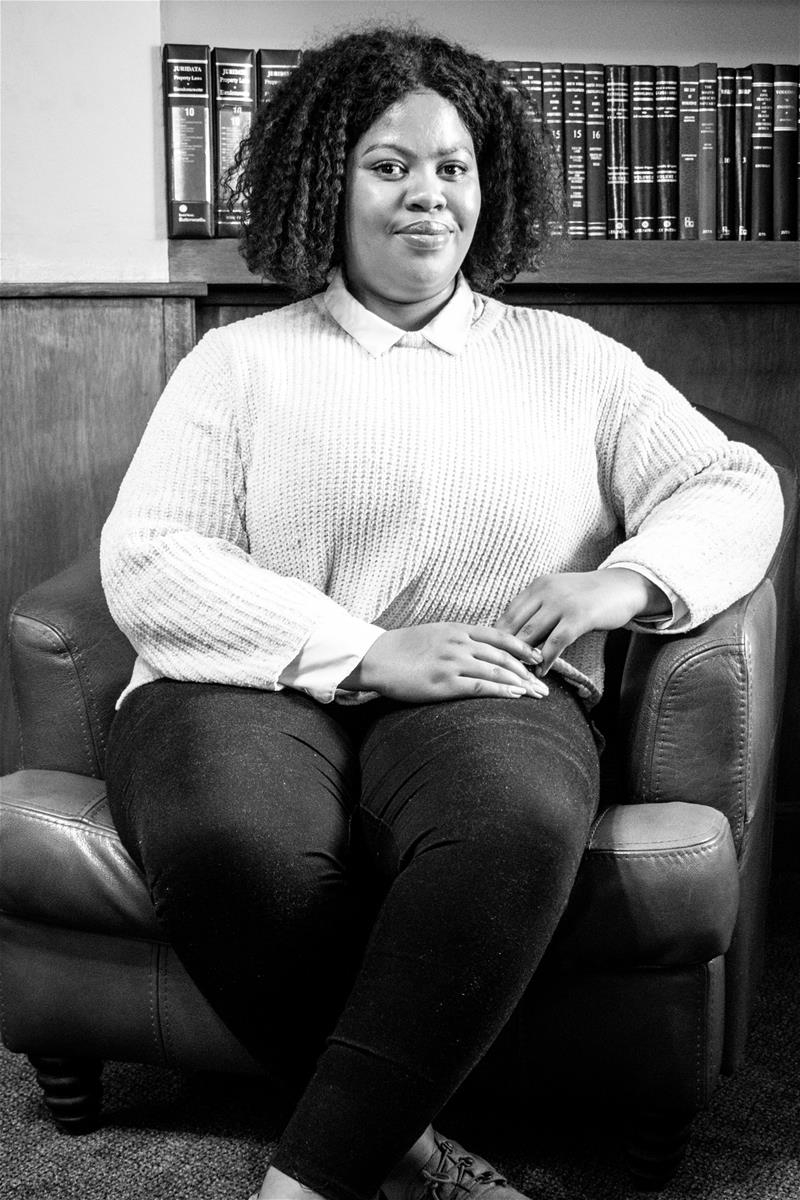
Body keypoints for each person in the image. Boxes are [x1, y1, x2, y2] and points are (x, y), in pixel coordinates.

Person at [100, 25, 783, 1200]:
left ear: (488, 187)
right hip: (244, 682)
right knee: (227, 841)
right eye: (388, 165)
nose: (427, 194)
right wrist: (365, 653)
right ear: (326, 182)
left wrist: (622, 581)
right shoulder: (238, 363)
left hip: (490, 682)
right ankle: (406, 1152)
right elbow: (152, 553)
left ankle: (304, 1182)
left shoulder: (571, 361)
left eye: (452, 166)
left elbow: (731, 482)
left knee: (510, 822)